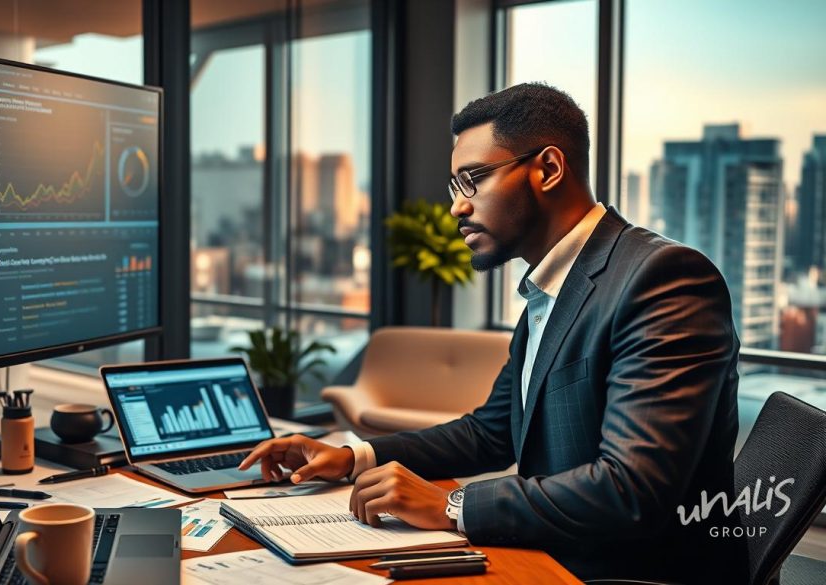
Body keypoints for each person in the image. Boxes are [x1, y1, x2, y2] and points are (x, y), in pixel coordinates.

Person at [239, 82, 743, 583]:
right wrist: (354, 457)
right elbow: (492, 431)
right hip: (557, 554)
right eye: (455, 187)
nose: (458, 207)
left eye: (473, 179)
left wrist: (453, 505)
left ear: (547, 169)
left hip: (621, 572)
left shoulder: (664, 278)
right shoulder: (556, 285)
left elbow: (633, 489)